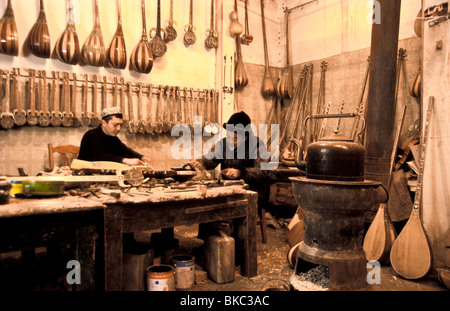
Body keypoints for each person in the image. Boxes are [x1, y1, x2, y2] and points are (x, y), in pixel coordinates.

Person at [193, 111, 271, 239]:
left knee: (232, 205)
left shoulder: (257, 145)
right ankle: (208, 243)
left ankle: (235, 244)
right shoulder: (223, 144)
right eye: (228, 136)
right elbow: (211, 160)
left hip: (251, 189)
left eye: (234, 138)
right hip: (227, 187)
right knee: (207, 200)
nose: (229, 140)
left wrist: (241, 172)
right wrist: (201, 161)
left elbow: (263, 171)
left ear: (245, 137)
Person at [78, 106, 151, 166]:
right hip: (86, 175)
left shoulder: (113, 138)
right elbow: (98, 156)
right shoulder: (90, 135)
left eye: (120, 125)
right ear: (103, 123)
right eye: (115, 125)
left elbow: (125, 151)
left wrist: (141, 157)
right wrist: (124, 160)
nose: (119, 128)